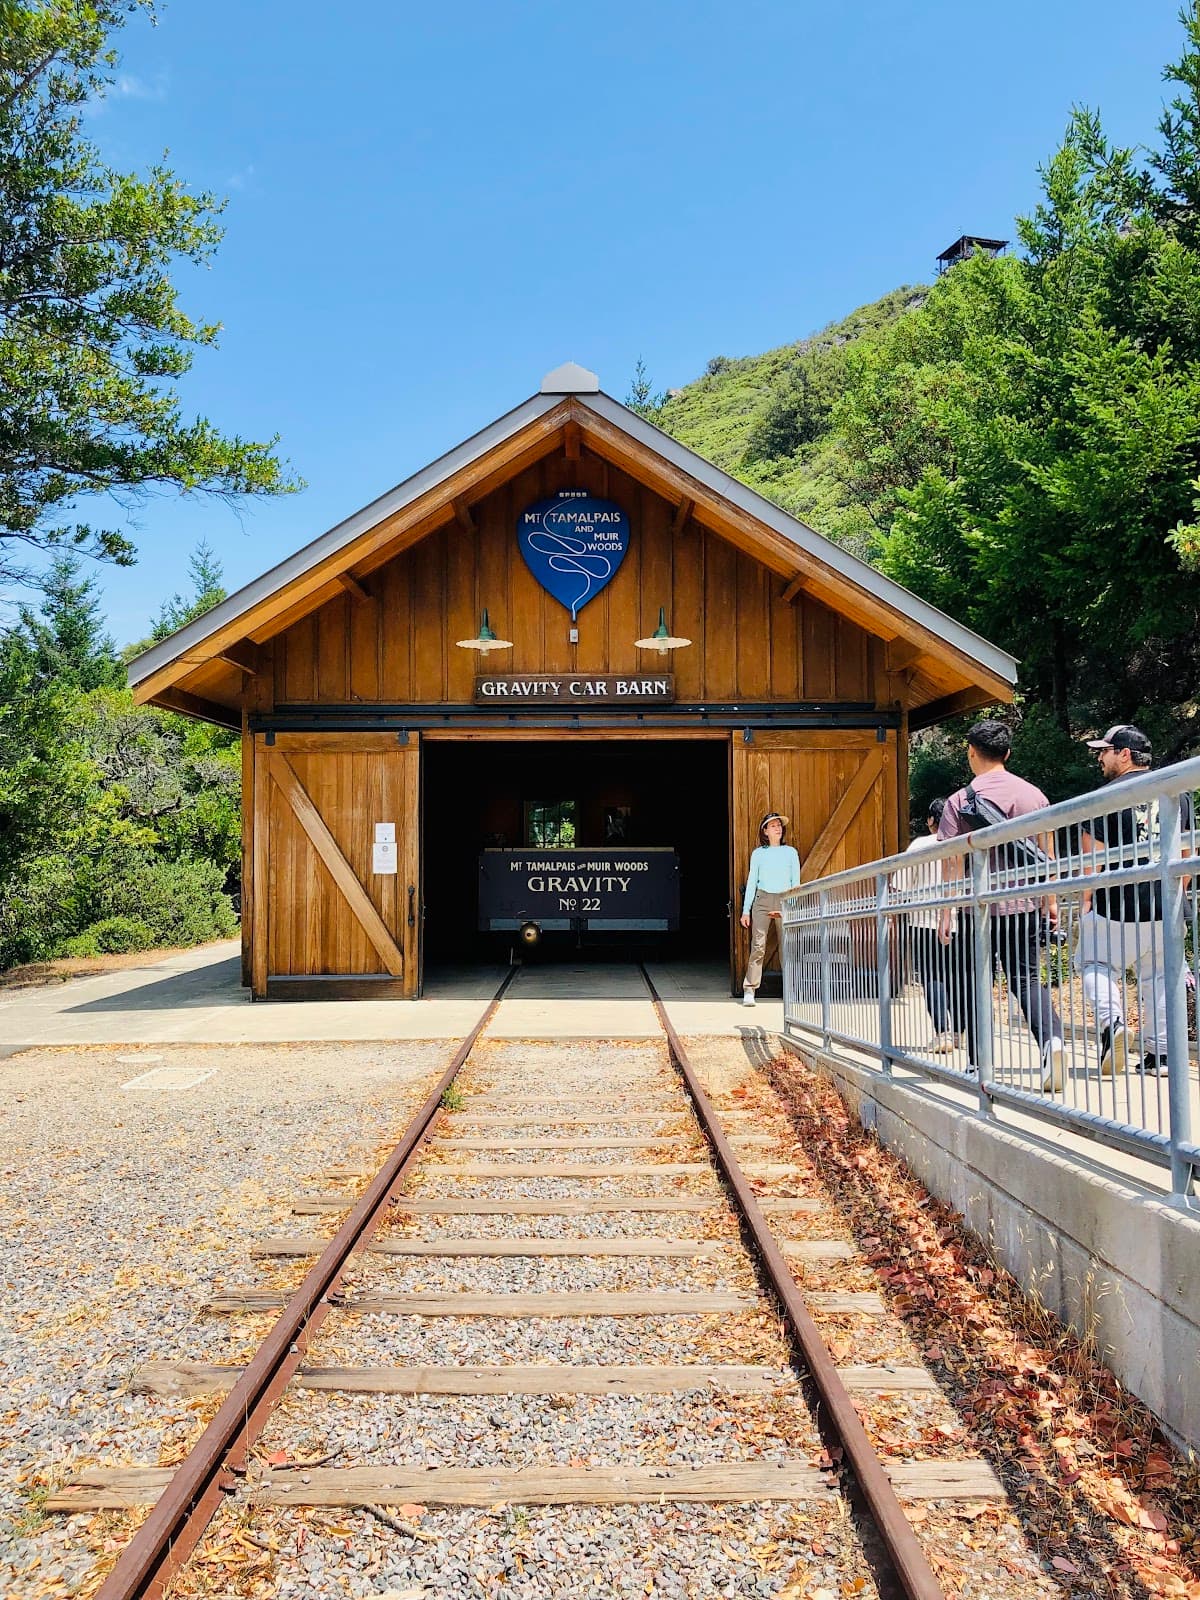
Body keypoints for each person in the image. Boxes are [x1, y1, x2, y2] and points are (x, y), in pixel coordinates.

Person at [937, 720, 1066, 1091]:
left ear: (971, 751)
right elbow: (1048, 855)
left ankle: (980, 1064)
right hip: (1024, 904)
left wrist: (946, 913)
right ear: (1007, 753)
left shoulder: (960, 802)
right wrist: (1051, 902)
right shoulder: (1033, 796)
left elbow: (950, 864)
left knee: (973, 981)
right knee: (1025, 979)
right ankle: (1052, 1042)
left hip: (976, 910)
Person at [1075, 725, 1194, 1077]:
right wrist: (1178, 895)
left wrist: (1086, 904)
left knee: (1094, 964)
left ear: (1124, 754)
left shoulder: (1103, 797)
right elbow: (1189, 850)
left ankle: (1112, 1026)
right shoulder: (1178, 791)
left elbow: (1089, 861)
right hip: (1166, 903)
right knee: (1159, 976)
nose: (1100, 757)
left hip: (1116, 905)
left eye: (1105, 751)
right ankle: (1160, 1056)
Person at [893, 798, 965, 1051]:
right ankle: (959, 1032)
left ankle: (942, 1032)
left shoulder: (919, 845)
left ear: (931, 821)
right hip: (957, 920)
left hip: (922, 919)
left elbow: (899, 884)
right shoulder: (962, 842)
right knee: (957, 976)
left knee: (932, 976)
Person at [740, 811, 802, 1005]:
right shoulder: (758, 854)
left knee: (787, 947)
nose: (777, 828)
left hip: (785, 899)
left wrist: (792, 906)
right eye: (772, 825)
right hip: (763, 898)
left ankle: (791, 990)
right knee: (758, 945)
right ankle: (750, 990)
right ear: (765, 831)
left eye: (779, 825)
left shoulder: (791, 852)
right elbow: (752, 882)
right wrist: (745, 910)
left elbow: (796, 882)